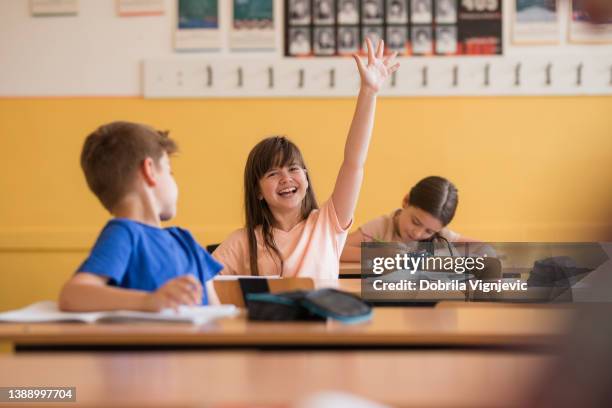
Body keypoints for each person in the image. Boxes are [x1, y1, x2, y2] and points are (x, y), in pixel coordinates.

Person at [213, 39, 400, 279]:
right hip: (271, 318)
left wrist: (368, 92)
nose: (286, 178)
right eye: (272, 173)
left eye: (293, 169)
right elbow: (201, 280)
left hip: (321, 317)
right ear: (258, 190)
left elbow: (354, 162)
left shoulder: (327, 223)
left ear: (306, 178)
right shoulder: (243, 241)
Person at [58, 122, 222, 312]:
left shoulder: (186, 241)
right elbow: (72, 295)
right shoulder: (124, 234)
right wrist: (149, 301)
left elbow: (217, 312)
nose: (174, 182)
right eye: (170, 171)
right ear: (149, 170)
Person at [340, 176, 475, 262]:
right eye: (415, 222)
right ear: (406, 201)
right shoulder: (382, 226)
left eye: (428, 231)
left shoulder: (440, 235)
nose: (417, 233)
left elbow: (483, 248)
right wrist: (378, 253)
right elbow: (335, 250)